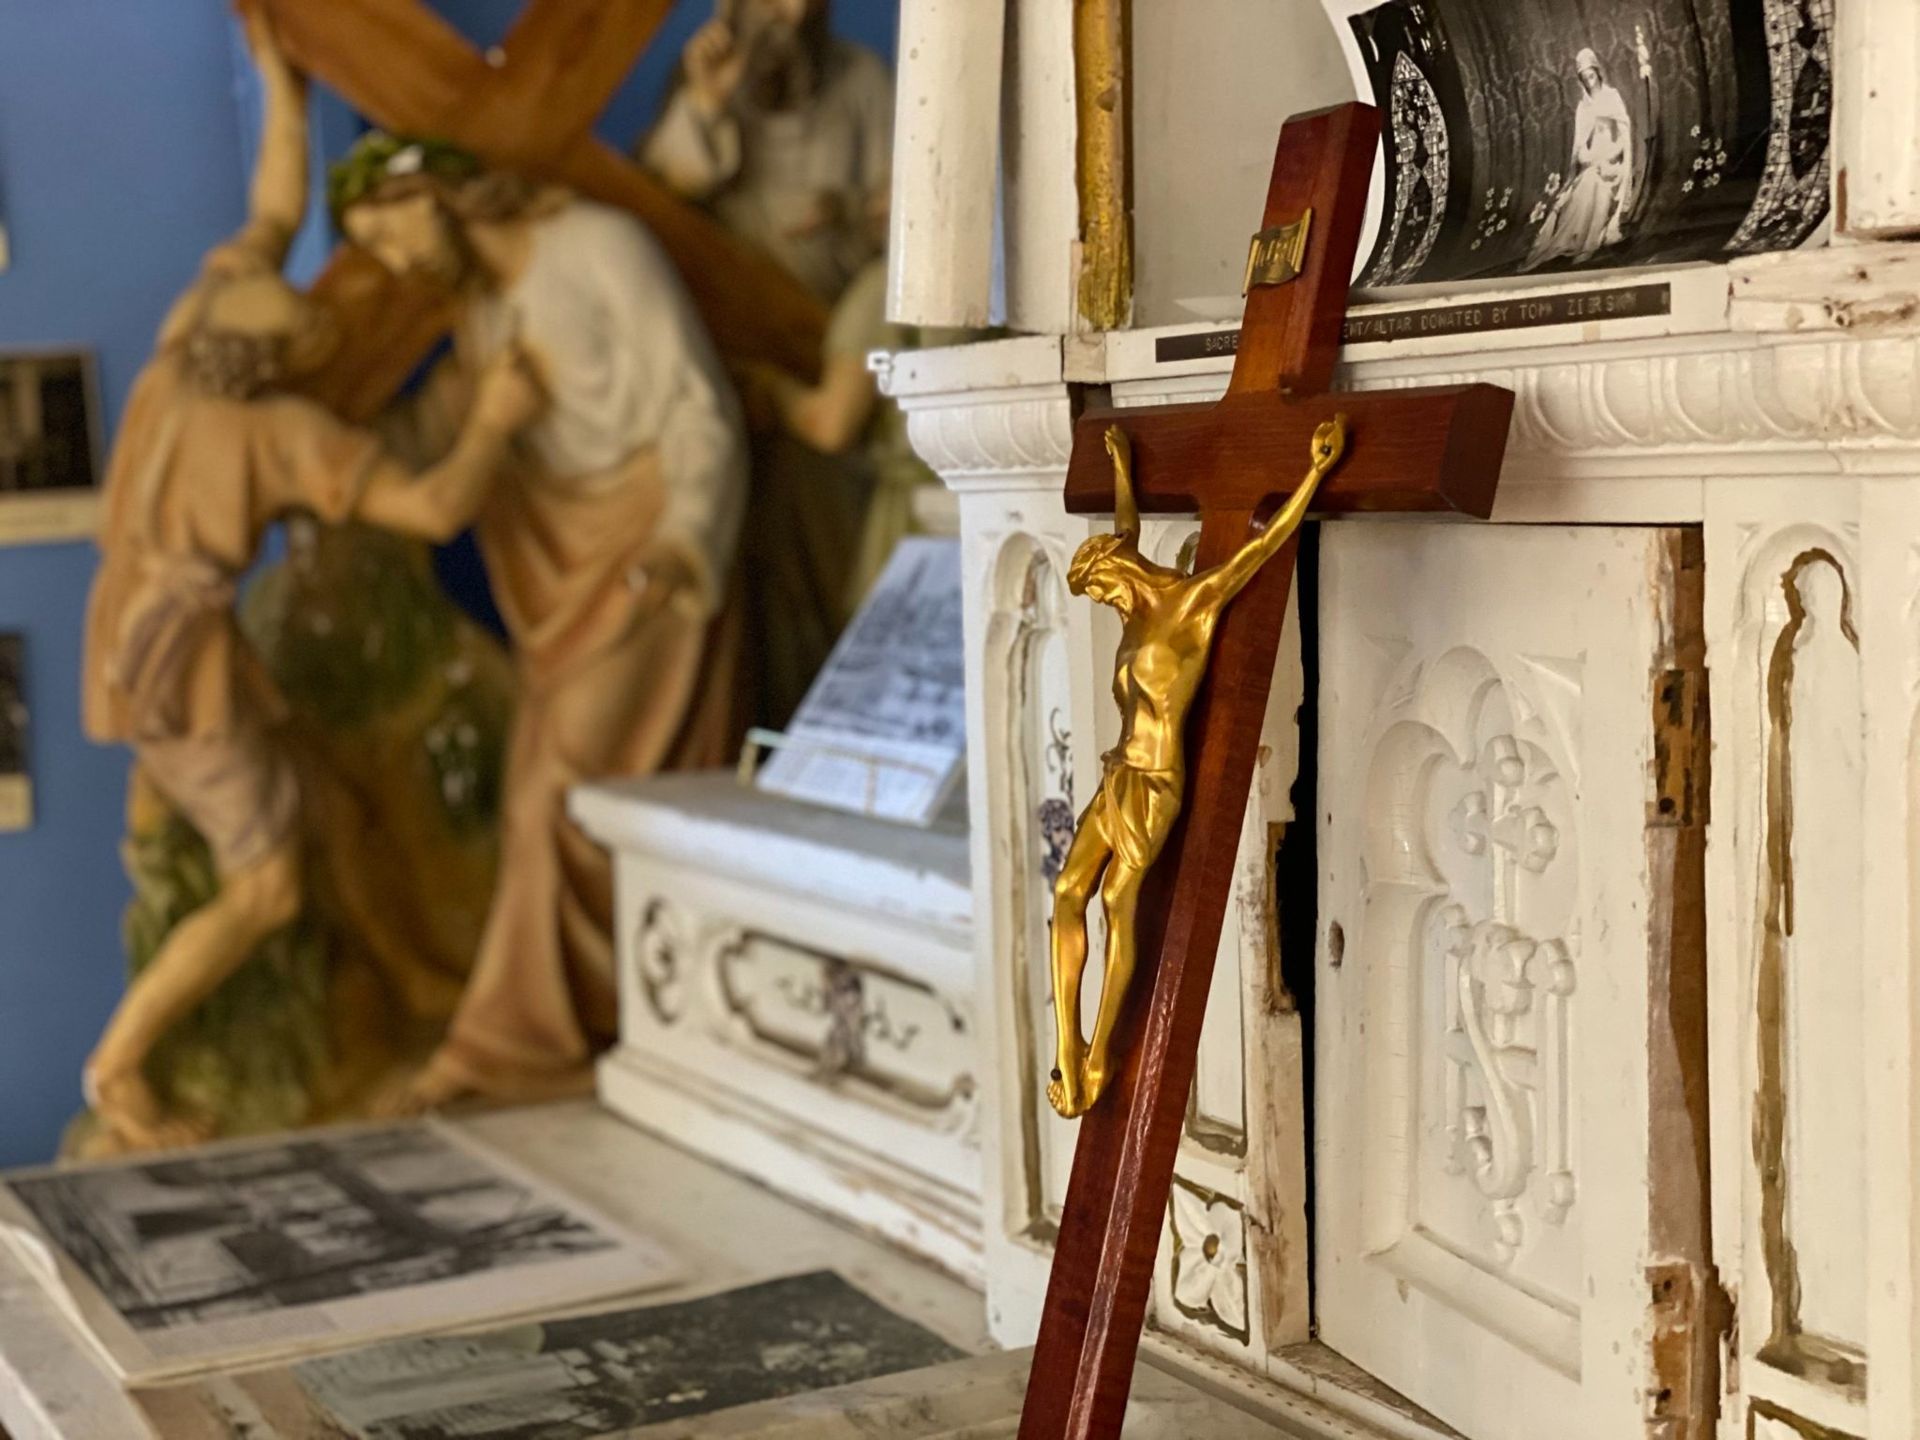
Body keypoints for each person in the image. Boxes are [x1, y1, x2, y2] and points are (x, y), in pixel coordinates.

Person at [81, 13, 544, 1150]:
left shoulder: (183, 348)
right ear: (279, 367)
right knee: (268, 888)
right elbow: (434, 508)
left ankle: (411, 979)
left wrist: (279, 85)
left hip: (130, 629)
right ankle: (120, 1069)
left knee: (304, 804)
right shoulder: (281, 437)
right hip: (181, 663)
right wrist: (492, 419)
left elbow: (272, 214)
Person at [329, 130, 751, 1114]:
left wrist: (686, 536)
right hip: (568, 579)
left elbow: (698, 407)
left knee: (561, 793)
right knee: (548, 790)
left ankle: (505, 1054)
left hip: (651, 558)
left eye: (390, 234)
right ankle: (596, 1025)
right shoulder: (478, 318)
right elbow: (435, 433)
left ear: (434, 192)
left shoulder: (600, 247)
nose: (395, 264)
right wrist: (321, 456)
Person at [1046, 419, 1347, 1117]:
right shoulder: (1134, 605)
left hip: (1155, 785)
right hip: (1117, 773)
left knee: (1119, 903)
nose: (1108, 605)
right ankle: (1069, 1047)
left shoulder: (1192, 604)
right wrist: (1122, 462)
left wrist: (1316, 472)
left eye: (1103, 592)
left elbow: (1263, 547)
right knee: (1066, 891)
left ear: (1116, 575)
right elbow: (1127, 524)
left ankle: (1100, 1052)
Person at [642, 0, 894, 304]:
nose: (791, 13)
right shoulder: (705, 73)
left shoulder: (864, 78)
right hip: (727, 294)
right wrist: (705, 101)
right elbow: (665, 190)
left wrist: (842, 209)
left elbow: (894, 212)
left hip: (824, 304)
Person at [1525, 46, 1635, 270]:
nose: (1590, 82)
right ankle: (1571, 242)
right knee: (1585, 185)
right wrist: (1589, 158)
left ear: (1598, 72)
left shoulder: (1612, 97)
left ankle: (1588, 243)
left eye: (1592, 76)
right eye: (1585, 79)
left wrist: (1610, 160)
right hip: (1593, 163)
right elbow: (1580, 148)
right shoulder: (1583, 107)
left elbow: (1624, 139)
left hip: (1612, 162)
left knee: (1595, 183)